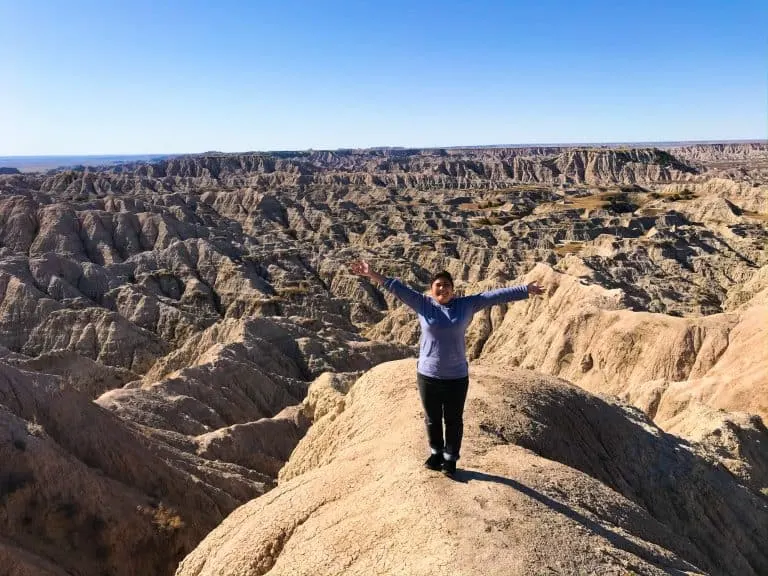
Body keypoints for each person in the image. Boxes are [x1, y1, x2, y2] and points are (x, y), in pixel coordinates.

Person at [350, 260, 544, 477]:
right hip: (428, 375)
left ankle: (450, 459)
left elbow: (496, 295)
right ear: (432, 289)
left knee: (453, 420)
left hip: (456, 376)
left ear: (453, 289)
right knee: (432, 418)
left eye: (446, 285)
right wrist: (372, 274)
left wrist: (524, 289)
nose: (442, 289)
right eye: (438, 285)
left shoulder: (466, 304)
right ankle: (436, 453)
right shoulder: (423, 303)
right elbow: (396, 288)